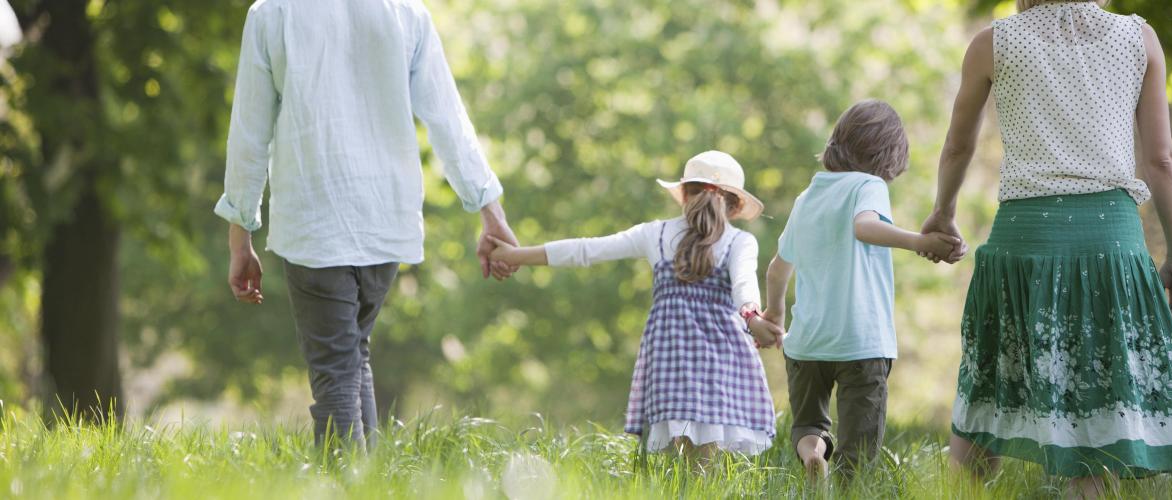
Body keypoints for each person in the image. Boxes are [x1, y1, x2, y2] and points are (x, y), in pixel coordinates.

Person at [920, 0, 1172, 496]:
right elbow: (1161, 157)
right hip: (1110, 243)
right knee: (1096, 399)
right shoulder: (1140, 39)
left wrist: (943, 212)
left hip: (1022, 242)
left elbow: (958, 146)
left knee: (989, 387)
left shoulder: (992, 43)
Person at [215, 0, 519, 450]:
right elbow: (448, 117)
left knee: (337, 373)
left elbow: (249, 129)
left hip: (314, 218)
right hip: (385, 219)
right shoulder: (406, 11)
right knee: (352, 357)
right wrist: (489, 209)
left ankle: (347, 487)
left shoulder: (272, 13)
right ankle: (374, 485)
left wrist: (240, 232)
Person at [488, 151, 781, 458]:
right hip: (721, 358)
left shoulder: (655, 234)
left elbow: (586, 250)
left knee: (679, 460)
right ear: (734, 206)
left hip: (671, 357)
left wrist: (514, 255)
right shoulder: (740, 242)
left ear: (683, 194)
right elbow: (744, 287)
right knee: (708, 459)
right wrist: (753, 319)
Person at [759, 100, 960, 477]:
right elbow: (864, 227)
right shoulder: (868, 185)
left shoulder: (808, 197)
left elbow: (776, 269)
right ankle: (850, 486)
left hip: (807, 344)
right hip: (861, 341)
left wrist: (775, 313)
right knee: (860, 446)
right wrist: (921, 242)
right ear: (889, 153)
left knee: (807, 425)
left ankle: (812, 454)